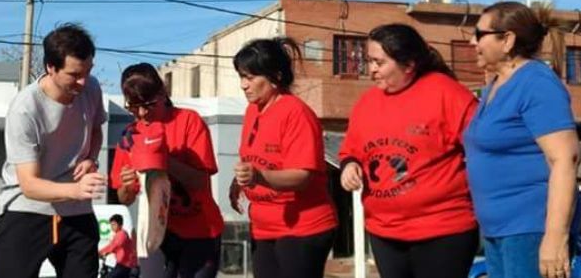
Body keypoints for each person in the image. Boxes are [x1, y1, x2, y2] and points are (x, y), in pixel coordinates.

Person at [338, 23, 480, 278]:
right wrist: (349, 165)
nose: (371, 70)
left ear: (409, 64)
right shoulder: (366, 103)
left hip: (442, 229)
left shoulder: (447, 93)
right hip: (385, 231)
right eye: (368, 61)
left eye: (378, 62)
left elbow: (485, 148)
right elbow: (351, 150)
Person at [463, 2, 580, 278]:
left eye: (480, 34)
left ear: (507, 40)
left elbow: (565, 158)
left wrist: (555, 237)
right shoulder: (494, 85)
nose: (472, 42)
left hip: (530, 229)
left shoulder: (536, 83)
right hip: (499, 230)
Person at [0, 23, 108, 278]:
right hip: (28, 209)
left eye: (88, 71)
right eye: (74, 74)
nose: (83, 81)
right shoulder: (25, 109)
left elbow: (97, 128)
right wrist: (76, 190)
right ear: (50, 68)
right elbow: (30, 185)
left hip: (77, 213)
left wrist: (90, 158)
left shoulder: (92, 88)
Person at [229, 37, 337, 278]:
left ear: (275, 77)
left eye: (250, 77)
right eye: (241, 77)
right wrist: (240, 181)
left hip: (302, 227)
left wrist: (258, 176)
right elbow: (255, 159)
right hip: (265, 227)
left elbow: (302, 176)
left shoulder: (295, 113)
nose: (243, 85)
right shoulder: (252, 111)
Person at [111, 63, 224, 278]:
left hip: (200, 231)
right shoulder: (129, 136)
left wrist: (161, 160)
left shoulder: (189, 121)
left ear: (163, 93)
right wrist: (126, 185)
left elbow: (200, 181)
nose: (142, 113)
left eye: (149, 104)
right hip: (157, 234)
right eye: (133, 106)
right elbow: (124, 197)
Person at [99, 214, 139, 278]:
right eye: (111, 225)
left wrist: (100, 252)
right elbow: (112, 246)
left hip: (126, 265)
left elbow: (114, 246)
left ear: (120, 224)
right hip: (123, 265)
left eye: (114, 225)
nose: (112, 227)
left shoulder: (122, 234)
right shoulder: (118, 235)